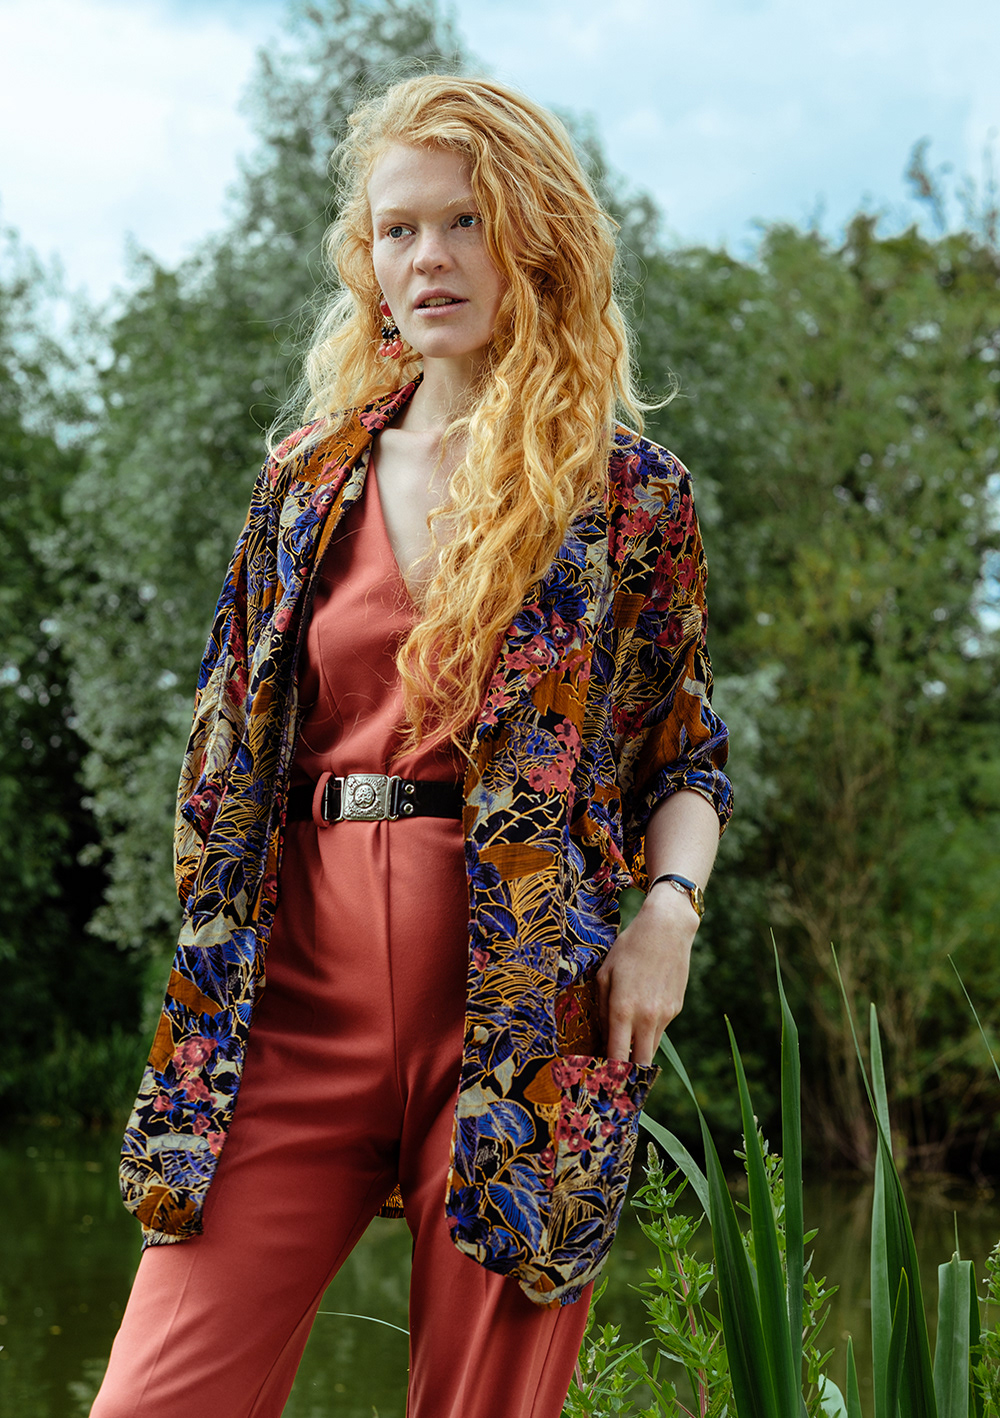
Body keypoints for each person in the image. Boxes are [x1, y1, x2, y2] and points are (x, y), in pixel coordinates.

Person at [91, 73, 732, 1418]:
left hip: (524, 1013)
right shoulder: (303, 483)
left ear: (534, 236)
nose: (428, 257)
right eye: (397, 229)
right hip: (287, 1008)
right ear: (367, 259)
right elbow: (224, 759)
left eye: (464, 221)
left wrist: (669, 910)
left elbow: (683, 755)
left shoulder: (628, 496)